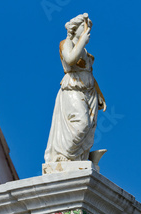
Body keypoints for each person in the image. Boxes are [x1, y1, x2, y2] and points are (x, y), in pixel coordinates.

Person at [44, 13, 106, 163]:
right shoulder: (66, 43)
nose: (87, 31)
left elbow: (89, 72)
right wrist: (82, 42)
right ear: (74, 28)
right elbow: (70, 59)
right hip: (73, 89)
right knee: (81, 123)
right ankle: (64, 156)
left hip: (89, 91)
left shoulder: (84, 51)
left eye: (89, 28)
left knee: (90, 127)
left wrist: (99, 94)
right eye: (84, 27)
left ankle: (81, 157)